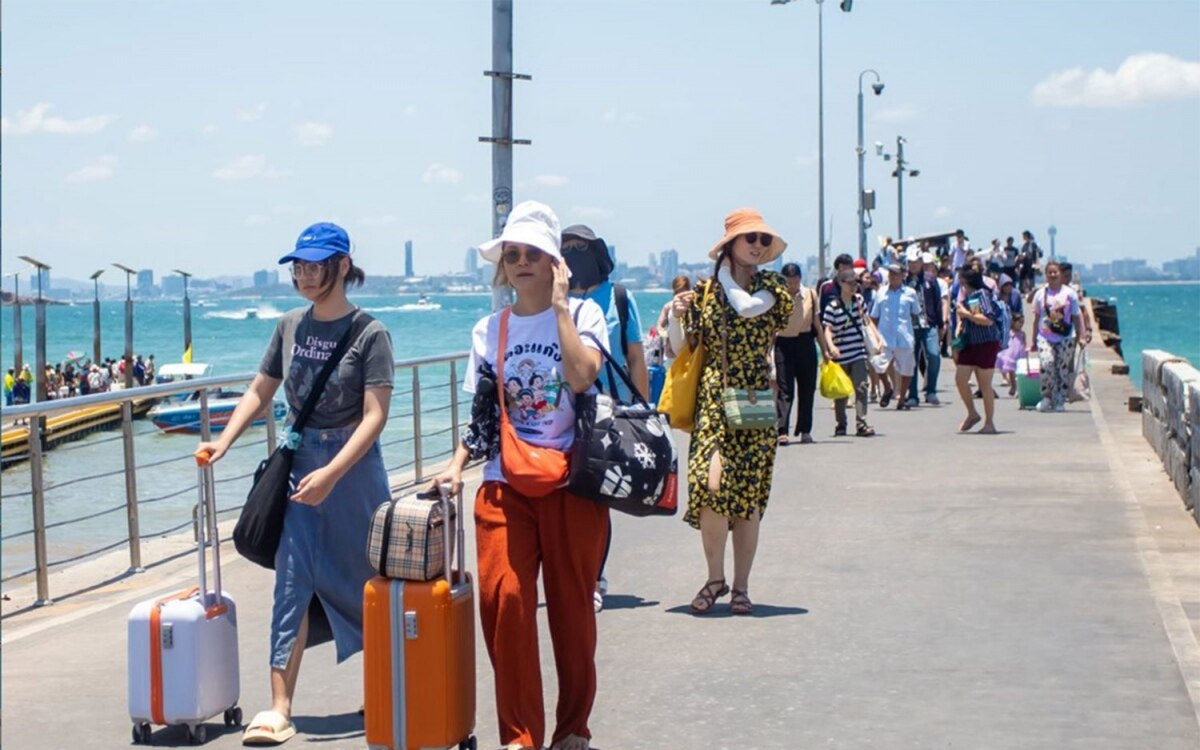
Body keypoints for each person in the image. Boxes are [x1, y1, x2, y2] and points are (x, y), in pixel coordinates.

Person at [197, 222, 394, 746]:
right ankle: (280, 707)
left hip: (352, 469)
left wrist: (333, 473)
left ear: (343, 266)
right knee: (292, 581)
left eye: (316, 265)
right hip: (299, 462)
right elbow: (260, 390)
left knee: (368, 581)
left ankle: (383, 690)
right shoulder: (288, 327)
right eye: (300, 266)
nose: (306, 275)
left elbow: (375, 416)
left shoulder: (371, 333)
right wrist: (223, 441)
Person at [433, 201, 609, 750]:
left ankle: (572, 727)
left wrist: (560, 308)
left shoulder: (584, 317)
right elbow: (485, 413)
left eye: (534, 253)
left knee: (572, 612)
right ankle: (520, 736)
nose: (523, 263)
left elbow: (582, 380)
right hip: (504, 480)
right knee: (504, 601)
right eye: (514, 254)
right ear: (502, 265)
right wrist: (458, 462)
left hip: (572, 482)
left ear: (556, 262)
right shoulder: (489, 329)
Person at [670, 208, 792, 616]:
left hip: (754, 397)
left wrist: (721, 275)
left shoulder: (773, 286)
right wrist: (675, 315)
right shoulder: (705, 293)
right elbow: (679, 348)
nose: (757, 246)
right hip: (712, 398)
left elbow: (747, 308)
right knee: (709, 488)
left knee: (749, 500)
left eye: (762, 240)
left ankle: (740, 586)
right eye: (750, 238)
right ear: (731, 244)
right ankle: (715, 577)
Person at [560, 223, 646, 614]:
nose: (574, 253)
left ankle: (594, 577)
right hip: (559, 412)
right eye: (567, 247)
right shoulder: (550, 297)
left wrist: (643, 406)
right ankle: (569, 574)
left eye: (582, 247)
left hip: (608, 411)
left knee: (596, 499)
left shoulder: (619, 298)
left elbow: (635, 355)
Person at [774, 262, 826, 444]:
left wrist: (826, 350)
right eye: (789, 282)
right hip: (783, 344)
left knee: (807, 389)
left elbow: (817, 324)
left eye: (795, 282)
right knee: (785, 389)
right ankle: (782, 429)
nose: (792, 286)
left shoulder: (810, 294)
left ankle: (805, 429)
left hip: (805, 343)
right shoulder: (777, 297)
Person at [821, 268, 874, 437]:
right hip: (841, 354)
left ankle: (861, 423)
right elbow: (827, 329)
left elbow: (867, 321)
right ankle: (841, 424)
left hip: (858, 352)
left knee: (861, 388)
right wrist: (831, 347)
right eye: (850, 283)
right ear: (841, 284)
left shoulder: (859, 301)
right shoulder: (832, 307)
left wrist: (877, 340)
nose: (854, 287)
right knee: (841, 392)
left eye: (855, 283)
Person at [1031, 261, 1089, 412]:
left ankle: (1060, 399)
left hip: (1065, 336)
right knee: (1047, 364)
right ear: (1046, 275)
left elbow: (1077, 316)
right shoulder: (1040, 294)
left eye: (1055, 272)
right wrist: (1033, 340)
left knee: (1062, 369)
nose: (1052, 275)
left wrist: (1082, 336)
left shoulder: (1070, 294)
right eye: (1049, 272)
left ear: (1060, 274)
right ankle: (1047, 396)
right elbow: (1036, 318)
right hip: (1045, 336)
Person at [953, 267, 1002, 433]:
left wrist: (965, 314)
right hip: (971, 342)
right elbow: (974, 316)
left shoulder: (982, 295)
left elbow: (987, 319)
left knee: (984, 384)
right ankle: (972, 413)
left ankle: (989, 423)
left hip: (986, 342)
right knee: (961, 378)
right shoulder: (971, 296)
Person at [871, 263, 921, 411]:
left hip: (904, 335)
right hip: (884, 336)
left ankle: (902, 398)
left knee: (907, 369)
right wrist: (874, 335)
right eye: (890, 273)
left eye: (895, 274)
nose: (892, 276)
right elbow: (874, 315)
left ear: (902, 276)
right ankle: (888, 388)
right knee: (878, 364)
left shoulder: (910, 293)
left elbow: (916, 312)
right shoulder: (881, 292)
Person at [906, 251, 946, 406]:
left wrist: (941, 324)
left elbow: (937, 302)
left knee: (934, 354)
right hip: (910, 326)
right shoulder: (904, 280)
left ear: (921, 262)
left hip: (929, 324)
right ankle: (912, 395)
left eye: (915, 261)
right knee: (912, 360)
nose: (913, 265)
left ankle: (931, 391)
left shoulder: (930, 279)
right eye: (910, 262)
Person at [996, 312, 1028, 396]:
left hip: (1020, 354)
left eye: (1022, 322)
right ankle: (1013, 386)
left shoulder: (1022, 333)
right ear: (1013, 322)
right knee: (1011, 371)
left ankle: (1019, 389)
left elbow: (1024, 344)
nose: (1021, 324)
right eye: (1019, 322)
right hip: (1011, 354)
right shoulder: (1009, 332)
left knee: (1020, 372)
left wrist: (1026, 353)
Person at [1017, 230, 1042, 295]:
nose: (1023, 237)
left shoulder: (1033, 244)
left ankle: (1031, 291)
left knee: (1031, 277)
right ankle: (1024, 290)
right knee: (1023, 277)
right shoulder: (1023, 245)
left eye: (1024, 236)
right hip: (1024, 263)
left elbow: (1037, 254)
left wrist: (1037, 264)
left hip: (1031, 263)